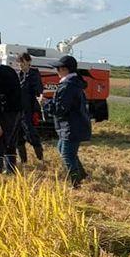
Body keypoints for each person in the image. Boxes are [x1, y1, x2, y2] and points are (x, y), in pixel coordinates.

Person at [46, 54, 91, 186]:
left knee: (67, 154)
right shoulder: (73, 83)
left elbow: (60, 109)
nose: (57, 71)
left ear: (65, 69)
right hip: (73, 124)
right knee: (63, 149)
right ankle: (82, 175)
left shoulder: (68, 86)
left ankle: (76, 182)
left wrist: (46, 104)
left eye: (58, 68)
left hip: (71, 126)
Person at [17, 52, 44, 162]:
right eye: (19, 63)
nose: (20, 65)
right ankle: (23, 160)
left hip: (30, 108)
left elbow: (39, 90)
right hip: (19, 109)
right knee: (18, 134)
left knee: (30, 133)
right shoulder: (19, 75)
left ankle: (40, 158)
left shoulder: (34, 74)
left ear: (28, 62)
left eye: (22, 62)